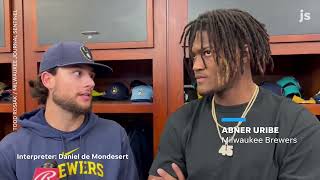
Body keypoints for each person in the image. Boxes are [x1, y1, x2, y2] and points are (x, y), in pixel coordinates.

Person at [149, 9, 320, 180]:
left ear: (243, 54)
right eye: (194, 56)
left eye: (207, 53)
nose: (196, 66)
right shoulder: (181, 120)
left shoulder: (297, 125)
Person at [0, 42, 138, 180]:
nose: (91, 83)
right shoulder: (11, 149)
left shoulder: (115, 135)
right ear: (47, 80)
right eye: (78, 73)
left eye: (91, 76)